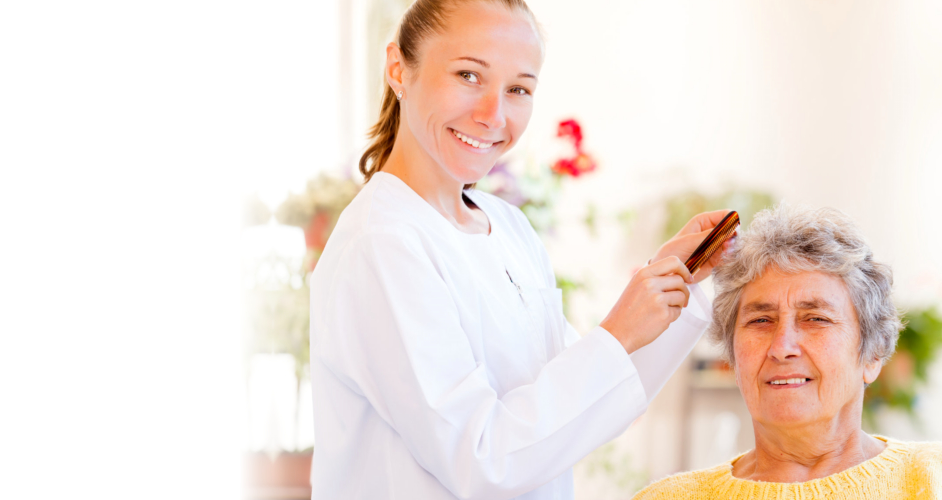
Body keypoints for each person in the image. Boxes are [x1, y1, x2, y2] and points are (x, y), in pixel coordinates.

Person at [305, 1, 734, 498]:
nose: (494, 114)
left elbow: (584, 408)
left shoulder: (507, 227)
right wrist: (617, 333)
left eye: (518, 90)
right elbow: (482, 461)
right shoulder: (382, 244)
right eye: (468, 75)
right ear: (399, 68)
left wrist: (670, 280)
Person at [633, 204, 942, 500]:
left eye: (816, 319)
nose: (782, 347)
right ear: (733, 355)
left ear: (872, 355)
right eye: (760, 321)